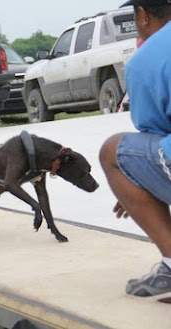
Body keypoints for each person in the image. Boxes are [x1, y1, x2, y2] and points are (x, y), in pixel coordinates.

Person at [99, 0, 171, 303]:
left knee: (113, 152)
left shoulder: (146, 58)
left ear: (142, 15)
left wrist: (138, 184)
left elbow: (153, 131)